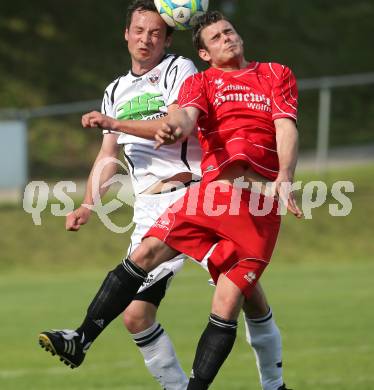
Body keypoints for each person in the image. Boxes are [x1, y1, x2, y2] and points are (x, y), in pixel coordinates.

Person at [38, 5, 295, 390]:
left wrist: (154, 128)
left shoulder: (181, 70)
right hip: (150, 205)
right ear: (126, 33)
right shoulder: (115, 90)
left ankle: (273, 382)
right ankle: (98, 347)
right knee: (136, 316)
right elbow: (110, 155)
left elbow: (177, 118)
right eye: (139, 30)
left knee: (244, 294)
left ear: (169, 37)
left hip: (194, 190)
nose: (146, 39)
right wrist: (88, 204)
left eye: (156, 32)